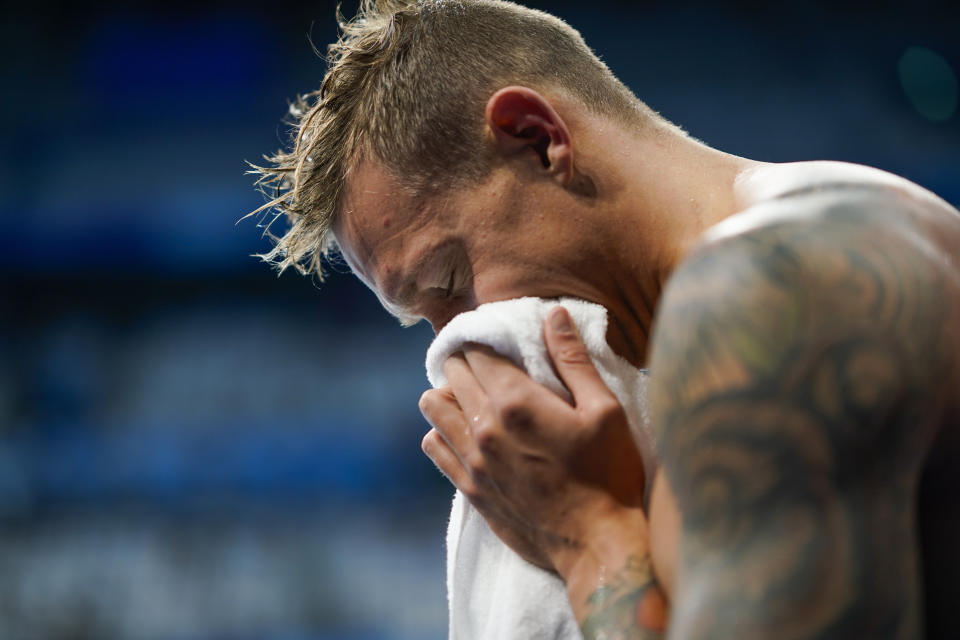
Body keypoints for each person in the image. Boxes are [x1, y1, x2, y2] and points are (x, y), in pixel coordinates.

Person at [249, 1, 960, 637]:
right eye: (427, 324)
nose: (463, 346)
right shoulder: (803, 247)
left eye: (452, 283)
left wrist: (586, 536)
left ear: (536, 138)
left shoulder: (770, 289)